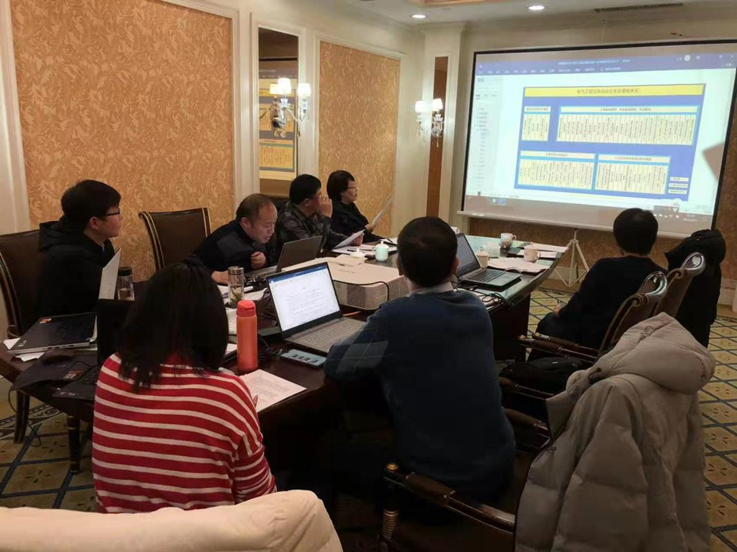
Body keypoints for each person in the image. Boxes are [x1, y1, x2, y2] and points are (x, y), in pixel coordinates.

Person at [324, 217, 515, 504]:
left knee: (325, 449)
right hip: (498, 469)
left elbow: (337, 364)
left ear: (399, 266)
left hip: (440, 491)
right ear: (455, 265)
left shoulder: (395, 317)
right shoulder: (476, 307)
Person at [92, 262, 276, 513]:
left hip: (120, 531)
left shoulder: (111, 369)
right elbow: (261, 502)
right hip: (204, 533)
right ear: (213, 325)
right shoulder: (226, 393)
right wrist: (242, 416)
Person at [537, 208, 665, 350]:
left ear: (618, 239)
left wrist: (560, 311)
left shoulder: (605, 267)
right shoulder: (661, 275)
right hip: (638, 342)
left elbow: (576, 308)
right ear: (654, 239)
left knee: (549, 321)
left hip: (596, 339)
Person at [38, 179, 122, 317]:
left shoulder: (101, 241)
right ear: (94, 222)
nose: (120, 217)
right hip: (69, 325)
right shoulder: (69, 257)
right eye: (116, 212)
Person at [193, 194, 278, 283]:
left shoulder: (268, 235)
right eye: (267, 225)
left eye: (274, 223)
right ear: (246, 222)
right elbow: (188, 269)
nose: (272, 230)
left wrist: (265, 261)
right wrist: (214, 274)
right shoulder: (221, 241)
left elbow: (276, 261)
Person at [276, 174, 362, 254]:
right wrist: (326, 217)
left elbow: (328, 236)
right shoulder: (288, 220)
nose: (323, 198)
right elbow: (312, 248)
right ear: (307, 202)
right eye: (319, 195)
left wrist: (349, 240)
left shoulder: (313, 211)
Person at [327, 170, 382, 243]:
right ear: (342, 192)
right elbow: (343, 236)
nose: (356, 190)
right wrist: (365, 230)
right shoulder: (333, 210)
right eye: (353, 188)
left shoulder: (351, 206)